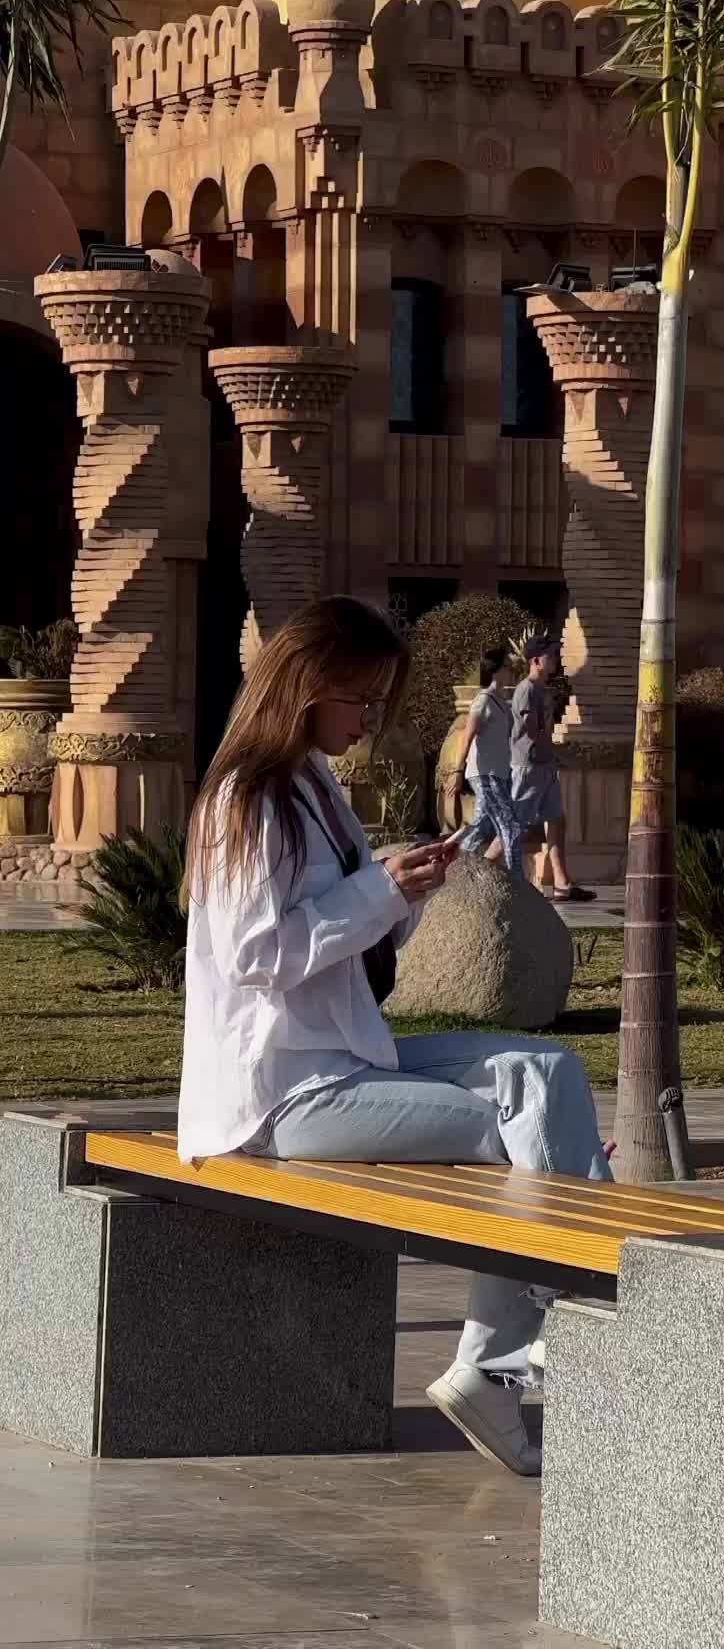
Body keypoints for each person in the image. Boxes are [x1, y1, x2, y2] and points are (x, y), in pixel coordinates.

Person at [179, 595, 612, 1477]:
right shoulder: (247, 798)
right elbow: (261, 952)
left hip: (342, 1058)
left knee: (549, 1071)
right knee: (515, 1129)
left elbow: (342, 934)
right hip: (280, 1093)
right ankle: (527, 1351)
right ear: (304, 689)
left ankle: (507, 1355)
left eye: (379, 702)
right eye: (359, 700)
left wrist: (401, 891)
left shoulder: (314, 787)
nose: (370, 720)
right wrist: (376, 893)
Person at [511, 635, 595, 903]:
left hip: (545, 765)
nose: (555, 660)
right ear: (535, 660)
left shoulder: (543, 690)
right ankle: (489, 874)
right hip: (529, 766)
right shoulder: (527, 690)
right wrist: (556, 750)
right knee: (514, 824)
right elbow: (533, 730)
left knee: (557, 820)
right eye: (550, 655)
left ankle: (562, 885)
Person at [450, 646, 523, 877]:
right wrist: (457, 770)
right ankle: (517, 881)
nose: (511, 672)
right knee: (510, 828)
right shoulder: (483, 700)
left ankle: (455, 868)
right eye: (507, 668)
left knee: (481, 827)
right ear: (495, 671)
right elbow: (467, 735)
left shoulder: (501, 702)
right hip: (485, 775)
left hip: (499, 775)